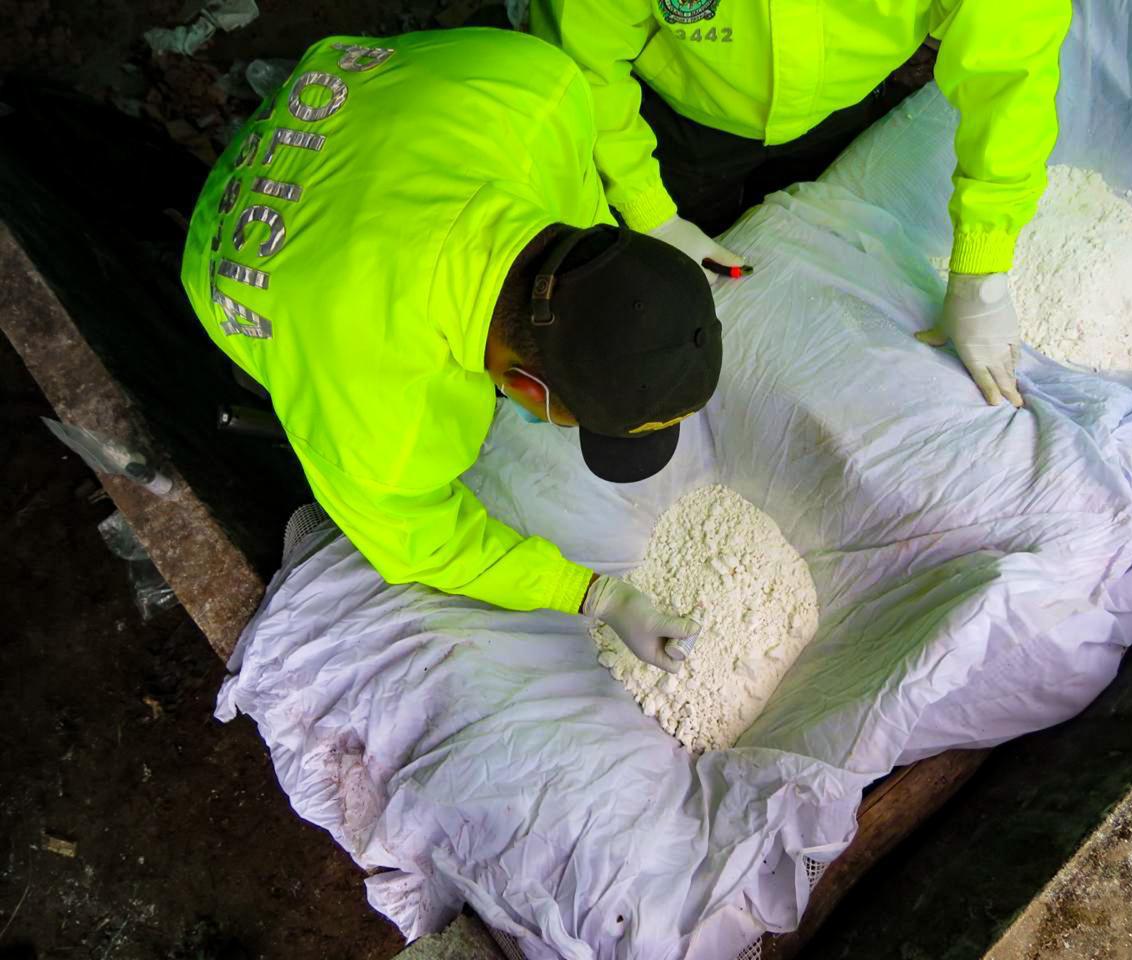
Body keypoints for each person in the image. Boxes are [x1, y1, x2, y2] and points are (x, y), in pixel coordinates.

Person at [180, 30, 722, 672]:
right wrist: (589, 592)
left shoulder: (539, 89)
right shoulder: (381, 419)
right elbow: (424, 540)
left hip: (329, 116)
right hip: (232, 242)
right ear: (524, 389)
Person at [530, 1, 1073, 408]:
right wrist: (650, 208)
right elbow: (585, 60)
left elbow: (1012, 80)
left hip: (834, 102)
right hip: (675, 114)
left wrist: (983, 264)